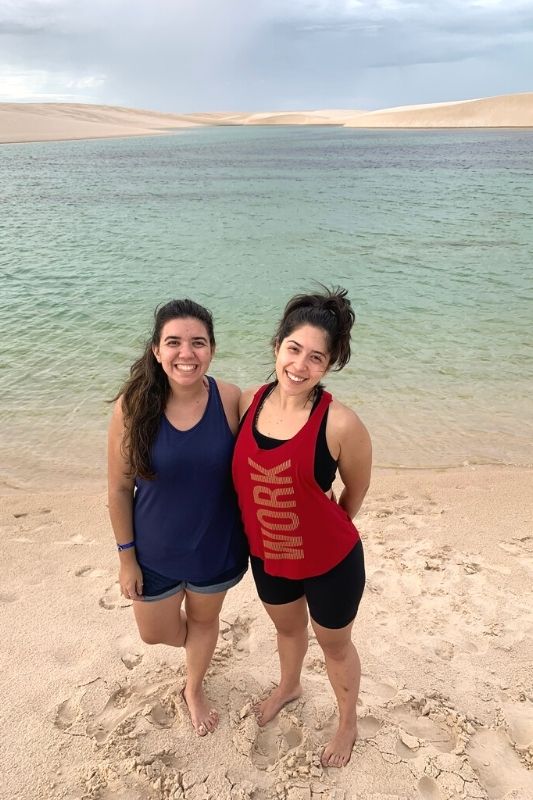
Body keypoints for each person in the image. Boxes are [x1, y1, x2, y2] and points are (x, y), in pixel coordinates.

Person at [232, 287, 371, 768]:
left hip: (331, 561)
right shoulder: (247, 402)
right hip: (268, 554)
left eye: (316, 357)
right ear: (277, 346)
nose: (300, 365)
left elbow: (355, 491)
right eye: (293, 349)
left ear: (328, 366)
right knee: (287, 630)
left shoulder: (341, 423)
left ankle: (347, 721)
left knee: (335, 645)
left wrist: (323, 526)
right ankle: (289, 686)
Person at [107, 299, 248, 737]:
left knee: (204, 622)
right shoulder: (132, 407)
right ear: (156, 350)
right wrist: (126, 557)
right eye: (173, 342)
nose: (186, 353)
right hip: (153, 551)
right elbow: (118, 490)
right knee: (154, 633)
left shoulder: (230, 399)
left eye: (198, 343)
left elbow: (273, 442)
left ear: (212, 349)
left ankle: (194, 686)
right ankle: (198, 650)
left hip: (215, 547)